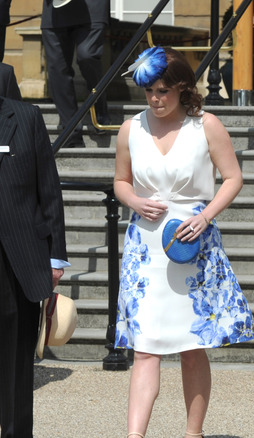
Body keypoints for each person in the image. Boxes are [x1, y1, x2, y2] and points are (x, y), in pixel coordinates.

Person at [113, 46, 254, 438]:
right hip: (145, 249)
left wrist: (206, 215)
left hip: (192, 245)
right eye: (148, 92)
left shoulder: (206, 125)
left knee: (191, 347)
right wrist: (133, 200)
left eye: (162, 90)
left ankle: (193, 435)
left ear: (181, 87)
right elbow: (120, 181)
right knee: (144, 348)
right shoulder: (131, 129)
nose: (155, 99)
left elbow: (233, 178)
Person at [0, 71, 68, 437]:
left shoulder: (26, 118)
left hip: (19, 260)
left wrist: (56, 255)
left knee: (16, 358)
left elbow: (49, 188)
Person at [41, 0, 110, 148]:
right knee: (57, 69)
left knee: (88, 56)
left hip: (93, 8)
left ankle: (99, 109)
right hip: (54, 12)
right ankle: (71, 132)